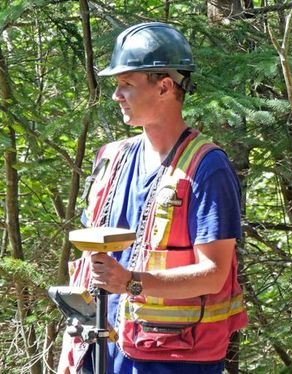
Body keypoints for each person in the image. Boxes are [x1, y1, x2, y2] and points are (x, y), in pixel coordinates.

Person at [57, 22, 248, 373]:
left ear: (164, 87)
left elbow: (214, 274)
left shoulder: (207, 168)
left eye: (126, 84)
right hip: (100, 352)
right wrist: (71, 346)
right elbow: (87, 265)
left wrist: (130, 282)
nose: (116, 95)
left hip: (173, 361)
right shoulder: (110, 159)